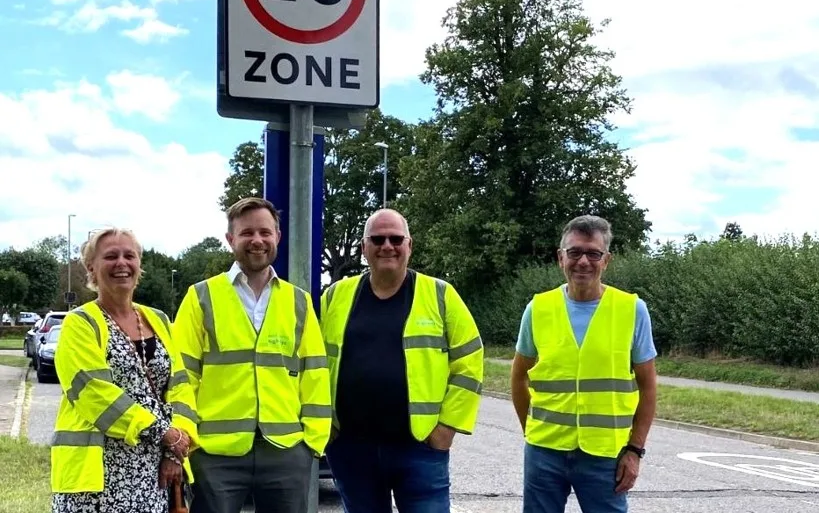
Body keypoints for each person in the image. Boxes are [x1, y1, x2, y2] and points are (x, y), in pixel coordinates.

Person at [172, 197, 331, 513]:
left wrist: (312, 443)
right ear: (231, 239)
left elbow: (315, 372)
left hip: (286, 451)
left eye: (265, 232)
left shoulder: (298, 302)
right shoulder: (200, 297)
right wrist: (187, 438)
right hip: (215, 454)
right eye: (246, 233)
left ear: (277, 237)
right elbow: (180, 375)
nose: (257, 240)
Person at [320, 208, 484, 513]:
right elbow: (314, 364)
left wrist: (446, 429)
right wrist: (329, 428)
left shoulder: (440, 294)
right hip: (351, 449)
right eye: (377, 239)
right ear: (363, 248)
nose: (387, 246)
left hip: (420, 448)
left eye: (396, 239)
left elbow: (470, 362)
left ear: (409, 245)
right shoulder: (334, 296)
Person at [511, 215, 658, 513]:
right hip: (545, 452)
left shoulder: (632, 310)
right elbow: (518, 377)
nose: (583, 262)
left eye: (593, 253)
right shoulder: (537, 308)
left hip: (605, 455)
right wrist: (531, 429)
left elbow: (648, 386)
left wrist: (634, 450)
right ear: (560, 258)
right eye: (575, 252)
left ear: (607, 261)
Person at [51, 227, 199, 513]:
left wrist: (174, 451)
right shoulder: (79, 323)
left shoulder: (158, 319)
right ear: (91, 267)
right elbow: (95, 394)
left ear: (139, 265)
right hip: (97, 478)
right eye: (111, 256)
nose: (122, 263)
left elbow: (180, 386)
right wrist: (165, 433)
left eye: (129, 255)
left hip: (154, 473)